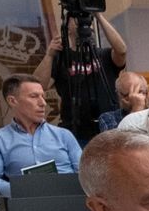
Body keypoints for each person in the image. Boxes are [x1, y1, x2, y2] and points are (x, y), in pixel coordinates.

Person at [0, 74, 81, 198]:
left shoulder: (64, 135)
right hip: (28, 205)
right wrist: (21, 190)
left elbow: (84, 173)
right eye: (34, 96)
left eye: (43, 97)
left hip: (68, 200)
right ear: (12, 101)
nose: (43, 103)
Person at [35, 12, 129, 143]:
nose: (82, 19)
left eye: (85, 16)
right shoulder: (61, 58)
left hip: (110, 128)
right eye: (76, 17)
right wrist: (49, 55)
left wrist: (98, 16)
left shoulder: (104, 55)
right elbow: (38, 85)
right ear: (67, 25)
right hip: (76, 132)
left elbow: (122, 50)